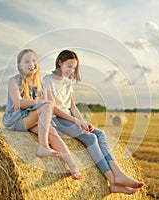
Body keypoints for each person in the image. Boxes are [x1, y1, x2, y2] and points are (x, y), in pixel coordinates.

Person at [43, 50, 145, 194]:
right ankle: (112, 179)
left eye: (74, 67)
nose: (71, 70)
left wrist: (83, 122)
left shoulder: (67, 83)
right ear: (60, 62)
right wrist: (75, 121)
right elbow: (51, 108)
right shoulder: (48, 80)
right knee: (90, 138)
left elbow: (72, 107)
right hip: (58, 120)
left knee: (100, 134)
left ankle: (118, 172)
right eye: (69, 66)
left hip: (70, 118)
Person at [2, 49, 82, 179]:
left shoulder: (40, 85)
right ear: (19, 66)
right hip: (16, 120)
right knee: (46, 104)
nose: (31, 64)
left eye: (34, 60)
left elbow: (52, 108)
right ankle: (43, 146)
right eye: (26, 61)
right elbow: (18, 103)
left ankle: (73, 167)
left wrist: (74, 120)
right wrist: (41, 102)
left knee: (52, 132)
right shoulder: (14, 81)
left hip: (29, 119)